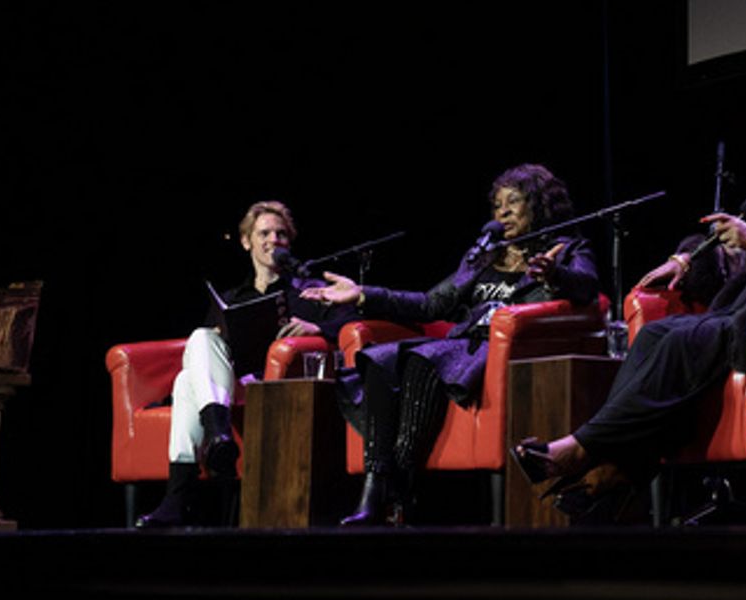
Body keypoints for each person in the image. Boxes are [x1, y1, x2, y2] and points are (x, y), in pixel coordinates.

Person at [511, 121, 746, 519]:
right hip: (743, 315)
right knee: (657, 333)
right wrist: (690, 259)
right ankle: (614, 473)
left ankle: (582, 451)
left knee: (681, 340)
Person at [303, 164, 598, 526]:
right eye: (497, 205)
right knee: (378, 360)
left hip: (503, 353)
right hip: (461, 348)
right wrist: (362, 294)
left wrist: (555, 276)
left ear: (539, 206)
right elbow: (430, 305)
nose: (501, 212)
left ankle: (402, 487)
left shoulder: (565, 250)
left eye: (513, 202)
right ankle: (376, 487)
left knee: (423, 359)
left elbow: (586, 287)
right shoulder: (485, 256)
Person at [135, 200, 355, 528]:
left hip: (279, 389)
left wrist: (318, 328)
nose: (273, 240)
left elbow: (355, 323)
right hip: (231, 386)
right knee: (198, 344)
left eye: (281, 234)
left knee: (186, 381)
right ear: (246, 241)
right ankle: (215, 437)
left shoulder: (311, 292)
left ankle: (182, 490)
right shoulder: (232, 298)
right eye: (264, 233)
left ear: (289, 242)